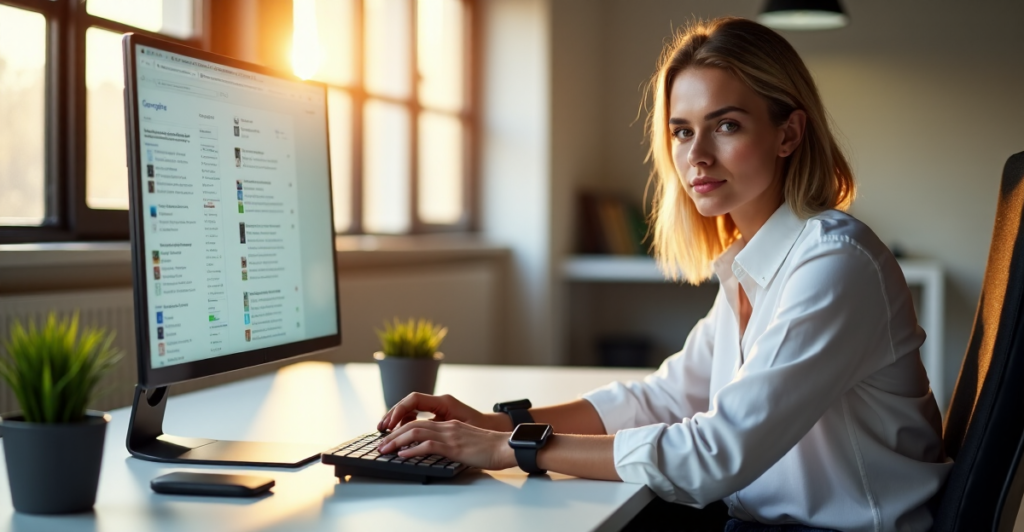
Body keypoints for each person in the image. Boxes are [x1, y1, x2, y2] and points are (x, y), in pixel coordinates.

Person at [375, 17, 951, 532]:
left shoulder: (833, 265)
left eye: (725, 125)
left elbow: (714, 454)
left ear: (788, 134)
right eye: (682, 130)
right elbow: (667, 397)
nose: (696, 154)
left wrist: (512, 447)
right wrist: (498, 421)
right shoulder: (751, 263)